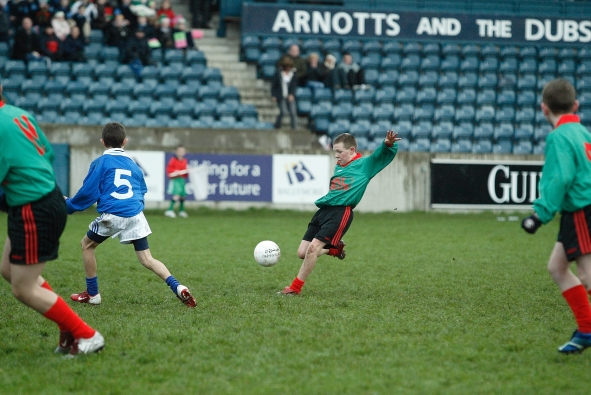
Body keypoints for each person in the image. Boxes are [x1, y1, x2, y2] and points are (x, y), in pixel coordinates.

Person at [0, 81, 104, 356]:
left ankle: (86, 335)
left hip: (34, 208)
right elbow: (46, 153)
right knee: (9, 270)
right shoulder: (17, 114)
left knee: (22, 289)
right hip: (39, 201)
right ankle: (69, 327)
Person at [65, 122, 196, 308]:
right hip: (135, 214)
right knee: (147, 259)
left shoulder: (100, 163)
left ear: (102, 142)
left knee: (87, 245)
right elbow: (141, 191)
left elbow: (88, 193)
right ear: (125, 141)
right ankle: (178, 286)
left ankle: (93, 294)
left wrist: (68, 205)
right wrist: (135, 209)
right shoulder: (134, 166)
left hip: (114, 214)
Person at [278, 130, 401, 295]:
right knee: (302, 252)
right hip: (323, 211)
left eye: (339, 151)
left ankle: (294, 288)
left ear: (351, 151)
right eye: (335, 151)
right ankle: (334, 249)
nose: (336, 155)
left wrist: (388, 144)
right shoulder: (340, 166)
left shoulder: (365, 165)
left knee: (313, 249)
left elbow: (379, 156)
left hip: (340, 213)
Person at [521, 78, 591, 354]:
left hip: (582, 211)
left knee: (587, 275)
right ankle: (586, 331)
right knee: (557, 268)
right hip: (580, 211)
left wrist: (539, 215)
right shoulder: (583, 132)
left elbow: (560, 179)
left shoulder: (559, 137)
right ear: (575, 105)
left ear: (543, 109)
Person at [271, 56, 298, 130]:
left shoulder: (293, 74)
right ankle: (277, 124)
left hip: (290, 95)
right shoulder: (278, 73)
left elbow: (294, 85)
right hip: (281, 95)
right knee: (283, 111)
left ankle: (294, 128)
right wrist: (273, 95)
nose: (288, 68)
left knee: (293, 112)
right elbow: (274, 85)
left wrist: (292, 94)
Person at [165, 146, 189, 218]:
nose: (181, 153)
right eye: (179, 151)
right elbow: (169, 170)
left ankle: (181, 211)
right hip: (176, 180)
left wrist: (186, 172)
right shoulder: (173, 160)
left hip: (182, 180)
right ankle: (169, 210)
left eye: (182, 151)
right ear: (176, 152)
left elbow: (185, 171)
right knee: (176, 195)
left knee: (182, 195)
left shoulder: (184, 160)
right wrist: (175, 172)